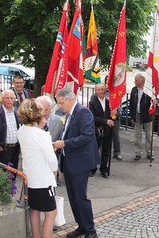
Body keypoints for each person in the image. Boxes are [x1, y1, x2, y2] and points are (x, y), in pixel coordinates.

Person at [53, 87, 99, 238]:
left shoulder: (83, 112)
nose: (60, 106)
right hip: (69, 161)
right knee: (73, 197)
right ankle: (82, 226)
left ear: (69, 99)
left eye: (61, 103)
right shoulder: (70, 114)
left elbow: (87, 136)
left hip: (80, 162)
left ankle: (91, 231)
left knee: (80, 197)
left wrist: (64, 143)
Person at [17, 99, 58, 238]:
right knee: (51, 213)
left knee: (34, 210)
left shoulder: (21, 130)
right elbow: (52, 160)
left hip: (29, 178)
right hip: (43, 180)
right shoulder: (41, 134)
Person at [36, 95, 64, 185]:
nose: (43, 113)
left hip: (53, 159)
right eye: (41, 110)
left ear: (51, 108)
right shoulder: (32, 122)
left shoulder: (59, 121)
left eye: (46, 110)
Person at [89, 83, 114, 178]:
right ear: (95, 91)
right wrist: (105, 121)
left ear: (105, 90)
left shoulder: (109, 101)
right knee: (95, 149)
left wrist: (114, 115)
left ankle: (104, 168)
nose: (100, 91)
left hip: (108, 130)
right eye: (98, 89)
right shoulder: (92, 102)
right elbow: (93, 117)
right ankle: (92, 168)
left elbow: (113, 116)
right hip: (97, 129)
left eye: (102, 89)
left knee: (106, 150)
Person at [129, 73, 155, 161]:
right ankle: (137, 153)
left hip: (147, 116)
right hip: (137, 115)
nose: (134, 82)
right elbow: (131, 104)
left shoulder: (149, 90)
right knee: (137, 135)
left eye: (136, 80)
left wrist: (155, 103)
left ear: (142, 81)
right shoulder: (134, 90)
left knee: (149, 136)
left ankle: (149, 153)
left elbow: (155, 102)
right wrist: (132, 116)